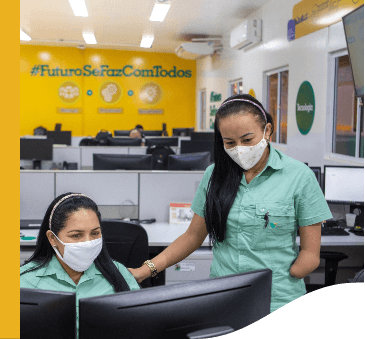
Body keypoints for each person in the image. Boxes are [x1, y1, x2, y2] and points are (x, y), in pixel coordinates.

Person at [129, 94, 332, 313]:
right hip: (224, 296)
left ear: (268, 131)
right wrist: (146, 269)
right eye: (230, 143)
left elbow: (311, 253)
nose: (239, 149)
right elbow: (192, 237)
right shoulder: (214, 175)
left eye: (247, 140)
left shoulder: (299, 176)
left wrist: (294, 274)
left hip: (277, 297)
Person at [20, 193, 140, 334]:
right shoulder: (24, 282)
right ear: (52, 238)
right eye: (76, 235)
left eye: (95, 233)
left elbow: (139, 326)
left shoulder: (117, 273)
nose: (88, 243)